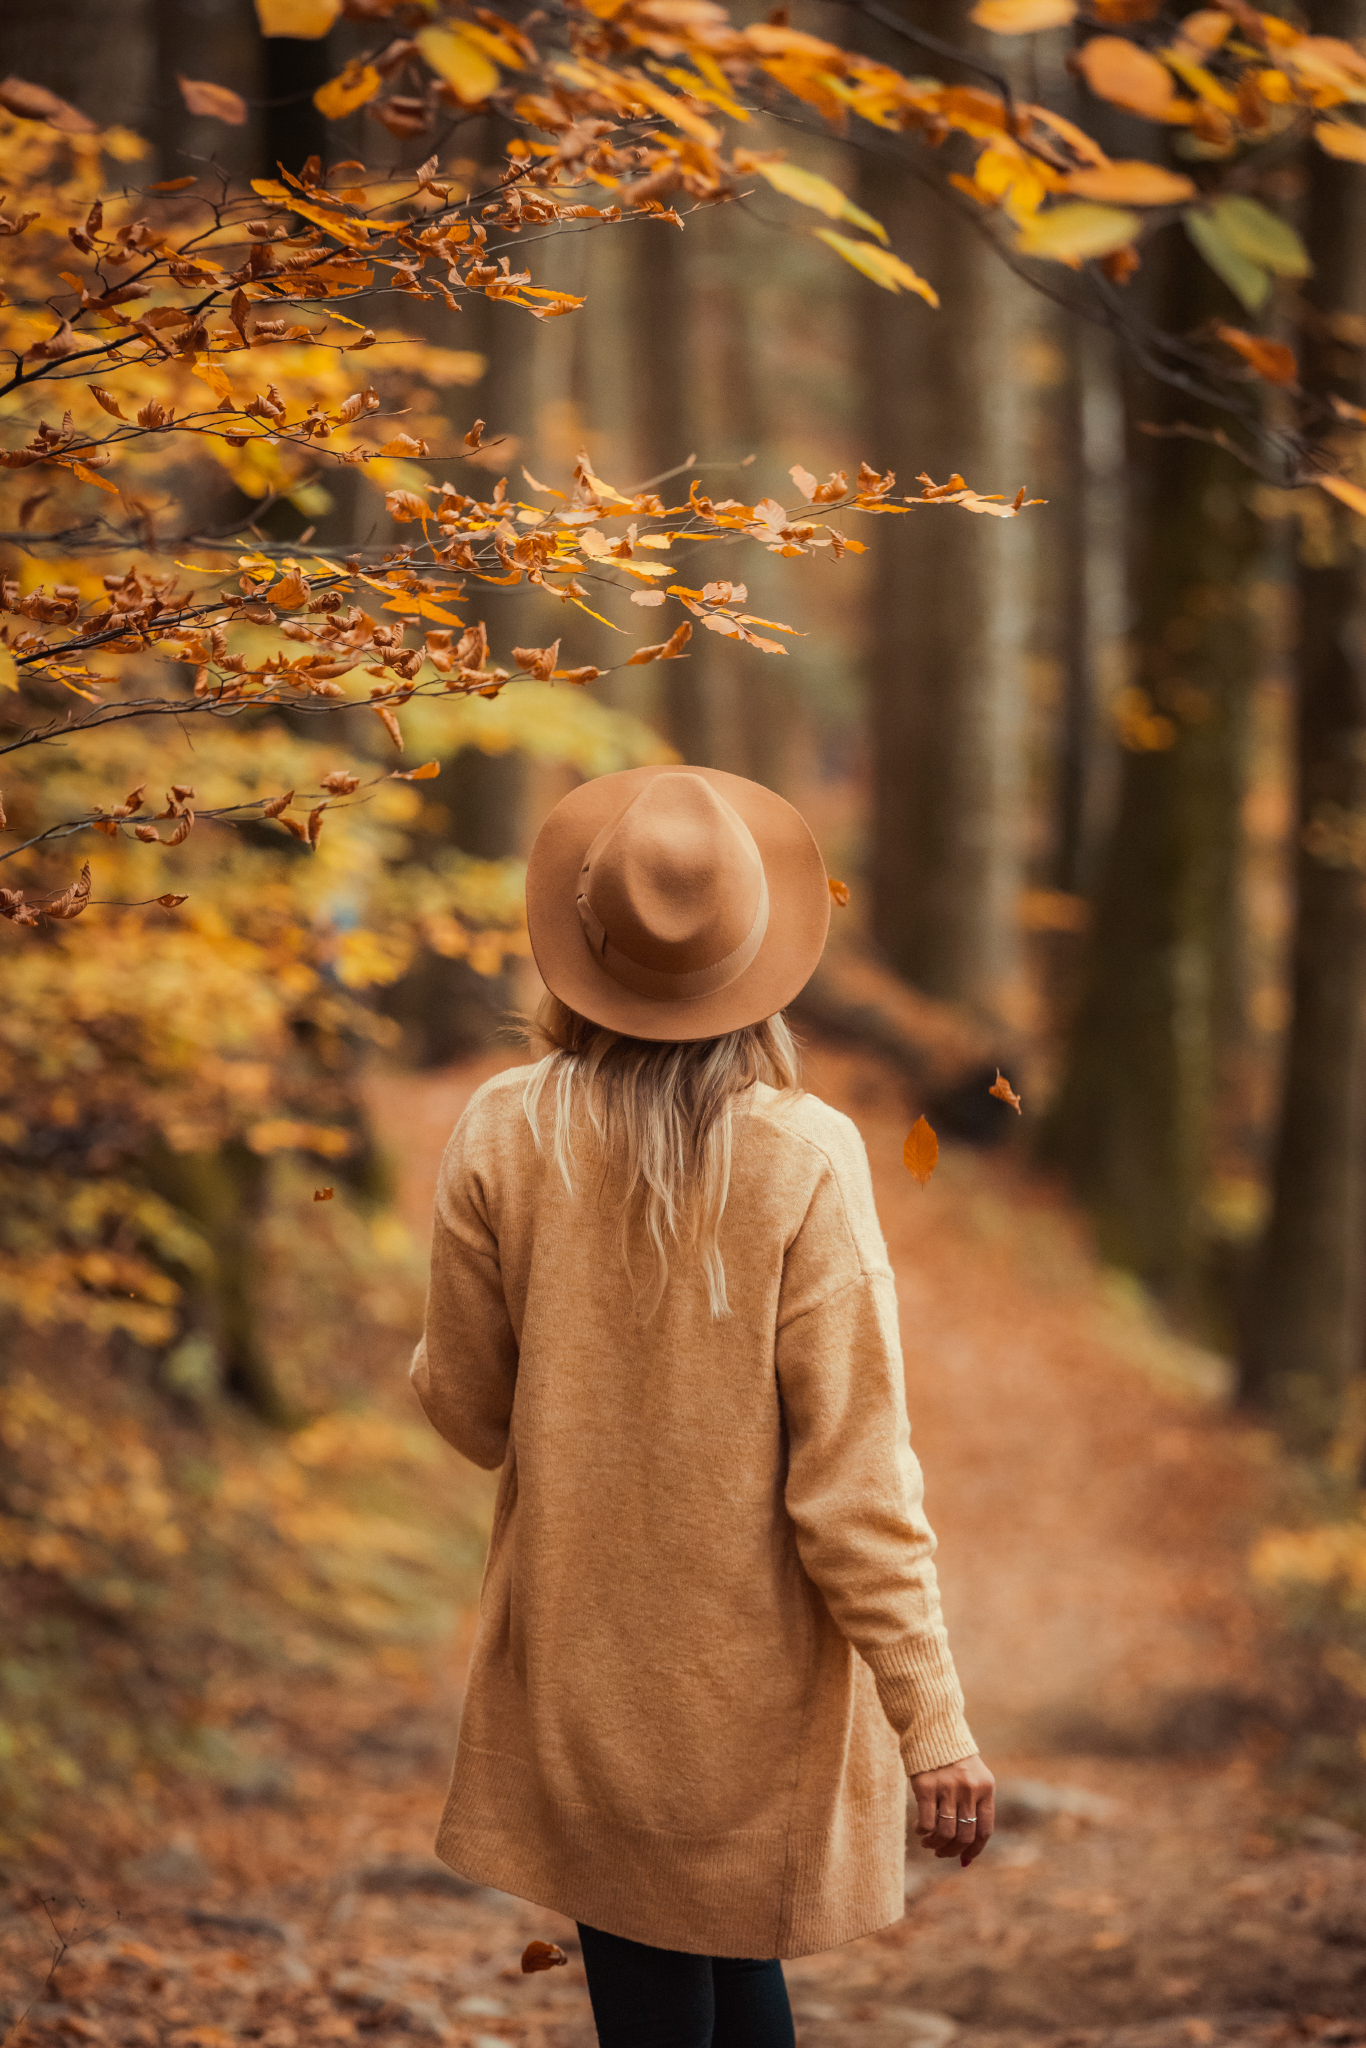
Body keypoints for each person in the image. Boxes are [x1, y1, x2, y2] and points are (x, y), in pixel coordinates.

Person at [411, 765, 993, 2048]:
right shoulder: (807, 1154)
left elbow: (467, 1407)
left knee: (673, 1987)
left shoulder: (505, 1129)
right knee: (725, 1974)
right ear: (755, 956)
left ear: (581, 944)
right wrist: (931, 1719)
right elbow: (856, 1478)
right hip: (754, 1687)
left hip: (579, 1662)